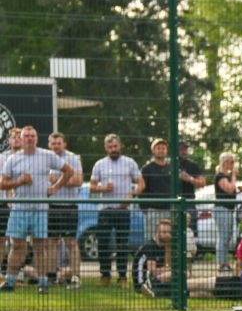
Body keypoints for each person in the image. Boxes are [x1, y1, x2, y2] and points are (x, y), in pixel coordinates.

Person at [0, 126, 73, 294]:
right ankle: (10, 281)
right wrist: (19, 181)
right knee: (17, 246)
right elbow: (3, 183)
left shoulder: (47, 155)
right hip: (19, 209)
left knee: (40, 246)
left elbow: (68, 171)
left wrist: (54, 188)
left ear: (37, 138)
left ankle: (42, 282)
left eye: (32, 136)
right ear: (22, 139)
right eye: (26, 136)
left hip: (40, 209)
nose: (29, 139)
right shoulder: (13, 159)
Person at [90, 134, 145, 288]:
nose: (113, 149)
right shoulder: (99, 164)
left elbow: (141, 183)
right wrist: (102, 188)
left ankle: (122, 277)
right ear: (105, 148)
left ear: (120, 146)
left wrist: (132, 195)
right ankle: (105, 275)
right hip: (105, 209)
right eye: (110, 147)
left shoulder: (130, 163)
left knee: (122, 244)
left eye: (115, 146)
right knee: (103, 243)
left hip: (123, 209)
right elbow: (92, 187)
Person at [47, 132, 83, 290]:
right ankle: (52, 277)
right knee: (51, 242)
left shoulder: (73, 158)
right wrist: (66, 179)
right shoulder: (45, 158)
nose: (56, 146)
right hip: (52, 205)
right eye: (53, 143)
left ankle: (75, 277)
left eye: (59, 143)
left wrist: (58, 181)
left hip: (69, 205)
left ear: (64, 144)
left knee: (71, 242)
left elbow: (78, 181)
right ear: (49, 144)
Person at [0, 127, 22, 278]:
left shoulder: (29, 157)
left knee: (19, 242)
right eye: (13, 137)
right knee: (2, 240)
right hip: (4, 204)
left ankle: (15, 276)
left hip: (22, 205)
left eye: (19, 137)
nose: (16, 139)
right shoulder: (2, 158)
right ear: (8, 140)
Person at [140, 138, 172, 241]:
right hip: (153, 210)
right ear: (153, 150)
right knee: (151, 240)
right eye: (158, 148)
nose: (161, 150)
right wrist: (146, 209)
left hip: (170, 210)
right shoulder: (147, 169)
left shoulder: (172, 168)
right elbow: (142, 189)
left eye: (163, 148)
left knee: (169, 240)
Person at [214, 152, 238, 272]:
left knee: (228, 237)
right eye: (231, 162)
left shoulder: (226, 176)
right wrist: (233, 175)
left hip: (229, 209)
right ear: (225, 162)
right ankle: (221, 263)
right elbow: (229, 189)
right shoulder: (220, 176)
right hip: (222, 209)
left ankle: (225, 262)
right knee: (223, 237)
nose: (233, 165)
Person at [134, 218, 172, 297]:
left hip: (157, 279)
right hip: (143, 284)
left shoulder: (165, 246)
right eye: (164, 232)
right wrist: (170, 269)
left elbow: (167, 265)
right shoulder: (151, 246)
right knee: (174, 274)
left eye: (169, 232)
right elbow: (152, 272)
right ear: (158, 233)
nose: (168, 235)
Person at [178, 141, 205, 233]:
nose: (184, 152)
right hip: (173, 202)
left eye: (185, 149)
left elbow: (202, 182)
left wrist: (190, 179)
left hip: (188, 202)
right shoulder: (168, 165)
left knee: (190, 231)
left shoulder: (192, 165)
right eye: (181, 149)